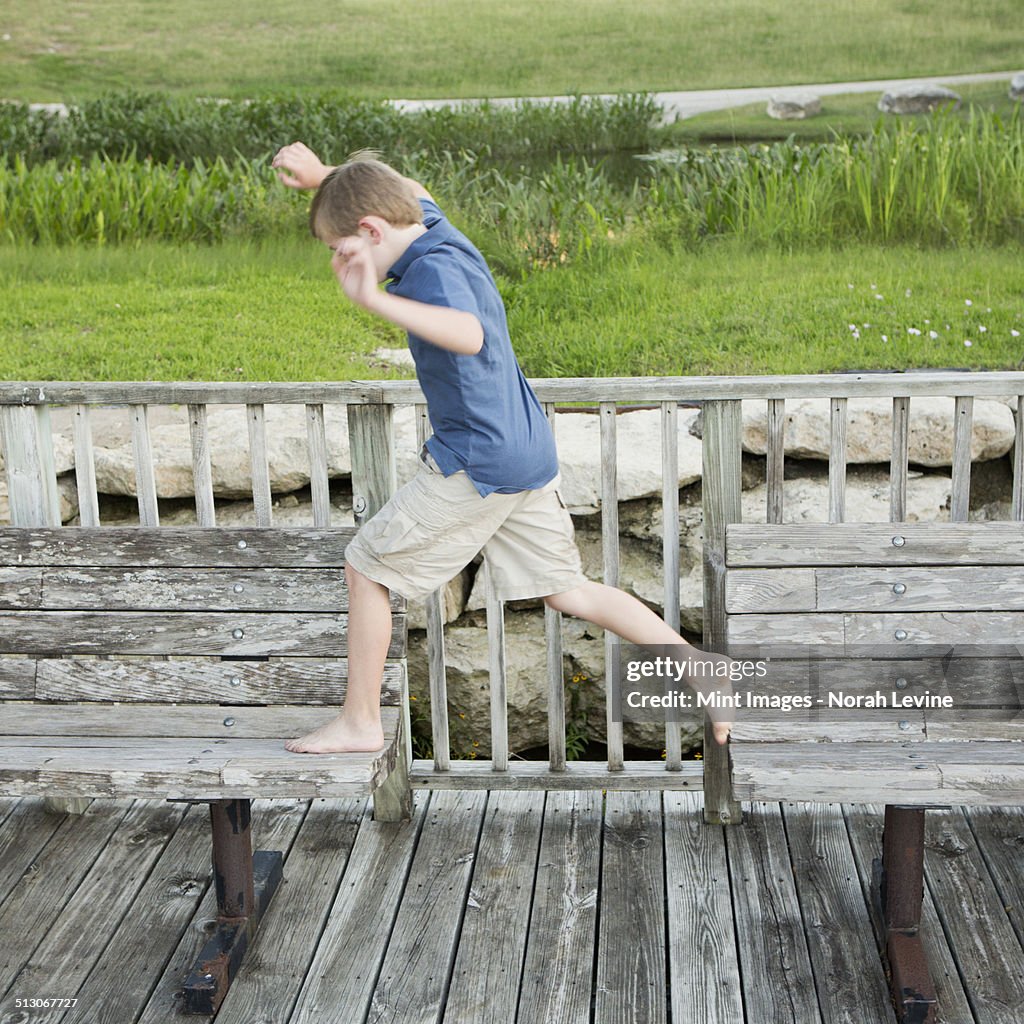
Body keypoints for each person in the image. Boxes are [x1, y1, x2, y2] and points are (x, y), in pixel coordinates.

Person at [271, 142, 734, 754]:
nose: (342, 260)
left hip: (479, 461)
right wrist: (326, 178)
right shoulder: (433, 227)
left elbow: (468, 334)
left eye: (342, 249)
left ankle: (361, 722)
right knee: (568, 591)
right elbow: (408, 187)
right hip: (524, 450)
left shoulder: (432, 271)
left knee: (366, 568)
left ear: (371, 228)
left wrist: (374, 301)